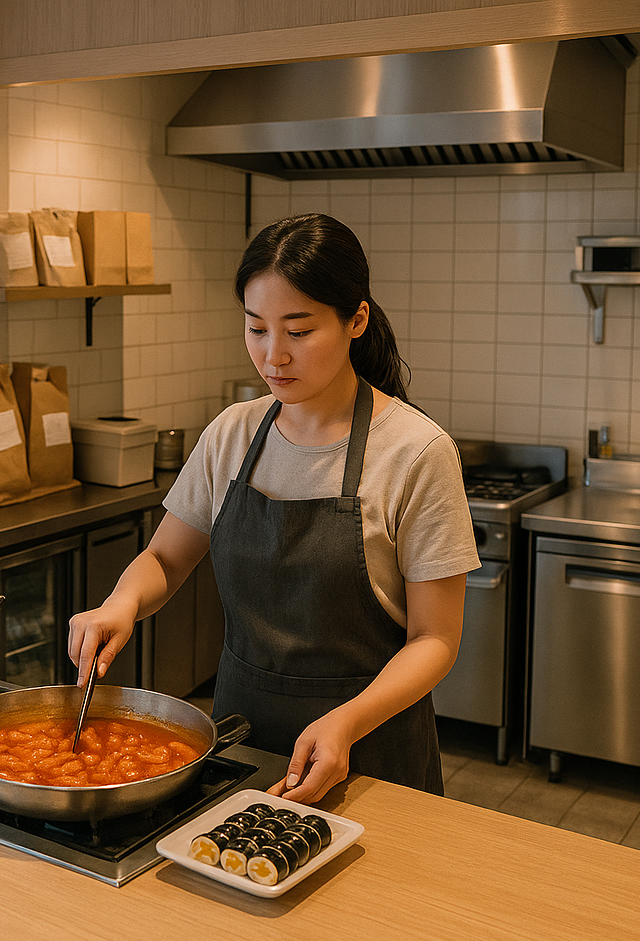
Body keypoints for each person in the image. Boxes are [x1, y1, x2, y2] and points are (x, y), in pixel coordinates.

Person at [68, 213, 480, 803]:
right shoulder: (231, 433)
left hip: (370, 752)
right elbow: (164, 558)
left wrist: (347, 721)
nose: (273, 356)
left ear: (356, 319)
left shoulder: (416, 451)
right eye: (256, 328)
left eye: (299, 330)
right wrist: (120, 605)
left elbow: (435, 640)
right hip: (242, 741)